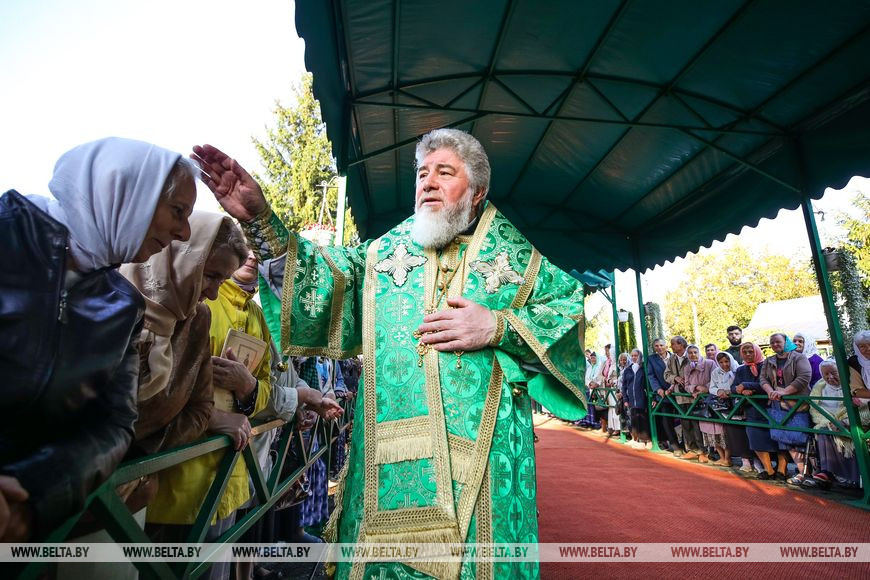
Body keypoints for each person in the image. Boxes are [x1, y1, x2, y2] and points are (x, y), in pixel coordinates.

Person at [194, 127, 589, 579]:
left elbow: (568, 310)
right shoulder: (386, 254)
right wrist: (261, 219)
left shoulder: (512, 258)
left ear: (477, 193)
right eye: (422, 174)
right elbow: (322, 285)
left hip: (480, 467)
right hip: (386, 461)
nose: (428, 182)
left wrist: (498, 325)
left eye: (445, 172)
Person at [0, 137, 196, 541]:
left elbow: (114, 424)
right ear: (127, 192)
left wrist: (36, 493)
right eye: (177, 211)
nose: (184, 231)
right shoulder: (7, 235)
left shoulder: (123, 305)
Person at [760, 333, 812, 485]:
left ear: (785, 342)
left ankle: (809, 472)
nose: (775, 344)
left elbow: (804, 377)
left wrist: (784, 391)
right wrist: (770, 391)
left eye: (778, 342)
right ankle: (802, 472)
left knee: (800, 437)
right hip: (777, 404)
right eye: (772, 342)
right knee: (785, 439)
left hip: (797, 404)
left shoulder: (798, 357)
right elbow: (763, 378)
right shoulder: (769, 361)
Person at [806, 360, 862, 489]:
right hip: (827, 422)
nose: (830, 377)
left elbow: (861, 409)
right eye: (826, 374)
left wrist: (844, 422)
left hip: (848, 422)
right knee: (824, 431)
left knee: (847, 435)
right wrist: (829, 422)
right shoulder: (819, 387)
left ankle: (850, 476)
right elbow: (814, 409)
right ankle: (829, 472)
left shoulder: (852, 385)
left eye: (834, 373)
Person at [732, 342, 781, 480]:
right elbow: (734, 387)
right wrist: (740, 390)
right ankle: (769, 469)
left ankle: (781, 469)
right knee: (756, 439)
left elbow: (768, 384)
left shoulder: (766, 365)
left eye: (751, 351)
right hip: (751, 409)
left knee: (777, 440)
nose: (748, 354)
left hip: (770, 407)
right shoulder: (741, 370)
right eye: (745, 352)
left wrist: (747, 386)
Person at [710, 352, 754, 473]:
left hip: (739, 405)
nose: (725, 364)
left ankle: (753, 461)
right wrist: (719, 391)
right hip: (724, 407)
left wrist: (731, 391)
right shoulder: (715, 372)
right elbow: (711, 387)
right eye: (721, 362)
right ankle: (745, 461)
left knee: (744, 433)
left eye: (726, 361)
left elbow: (738, 386)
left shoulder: (738, 370)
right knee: (733, 433)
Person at [678, 345, 714, 462]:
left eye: (695, 352)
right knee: (693, 424)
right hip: (693, 400)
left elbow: (714, 379)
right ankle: (696, 450)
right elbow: (687, 384)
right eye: (690, 353)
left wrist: (704, 388)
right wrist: (695, 388)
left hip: (708, 398)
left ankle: (707, 452)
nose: (693, 355)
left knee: (707, 426)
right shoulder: (687, 367)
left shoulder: (709, 363)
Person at [648, 338, 680, 454]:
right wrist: (658, 389)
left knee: (684, 419)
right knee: (666, 420)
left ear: (666, 346)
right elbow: (651, 376)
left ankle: (688, 445)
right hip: (663, 394)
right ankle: (674, 445)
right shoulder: (651, 359)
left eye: (661, 345)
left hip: (678, 392)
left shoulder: (675, 357)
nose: (659, 348)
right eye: (656, 346)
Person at [664, 336, 691, 456]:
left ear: (681, 345)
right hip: (679, 396)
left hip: (693, 395)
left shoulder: (691, 354)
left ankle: (700, 450)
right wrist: (675, 378)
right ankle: (689, 448)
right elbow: (666, 374)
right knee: (685, 422)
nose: (671, 346)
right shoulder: (672, 359)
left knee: (695, 423)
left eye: (673, 344)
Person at [622, 349, 650, 449]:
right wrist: (625, 399)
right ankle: (636, 439)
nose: (634, 357)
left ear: (640, 356)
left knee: (643, 418)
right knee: (634, 419)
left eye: (636, 355)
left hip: (642, 398)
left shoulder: (643, 368)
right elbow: (624, 386)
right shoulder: (628, 369)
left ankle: (646, 440)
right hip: (631, 399)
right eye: (632, 355)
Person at [849, 330, 870, 397]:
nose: (868, 348)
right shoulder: (855, 363)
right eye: (862, 346)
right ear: (857, 349)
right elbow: (856, 391)